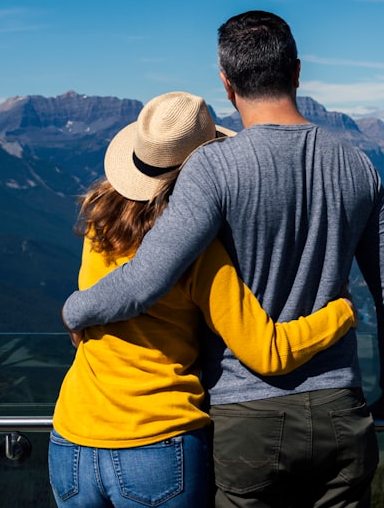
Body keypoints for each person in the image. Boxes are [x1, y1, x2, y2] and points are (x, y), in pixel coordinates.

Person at [63, 11, 384, 508]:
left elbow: (145, 280)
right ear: (296, 72)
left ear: (228, 86)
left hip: (247, 415)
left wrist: (75, 310)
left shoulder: (212, 167)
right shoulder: (357, 164)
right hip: (341, 408)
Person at [50, 90, 358, 508]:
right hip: (155, 440)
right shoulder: (197, 253)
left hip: (71, 440)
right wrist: (340, 313)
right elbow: (268, 352)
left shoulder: (99, 228)